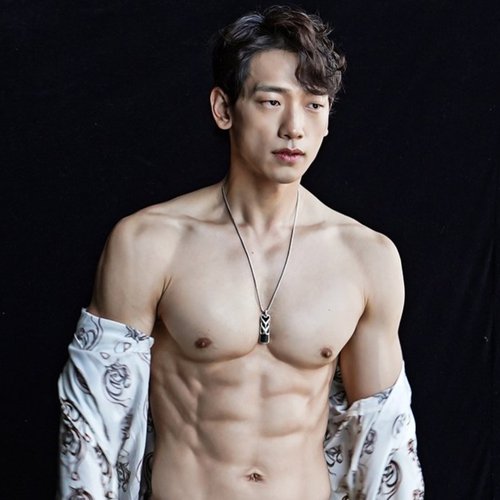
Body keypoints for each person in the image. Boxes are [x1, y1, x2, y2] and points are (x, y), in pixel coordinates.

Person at [58, 5, 424, 499]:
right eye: (272, 101)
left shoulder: (367, 257)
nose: (294, 127)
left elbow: (384, 446)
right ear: (224, 108)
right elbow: (93, 430)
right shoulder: (150, 242)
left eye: (314, 105)